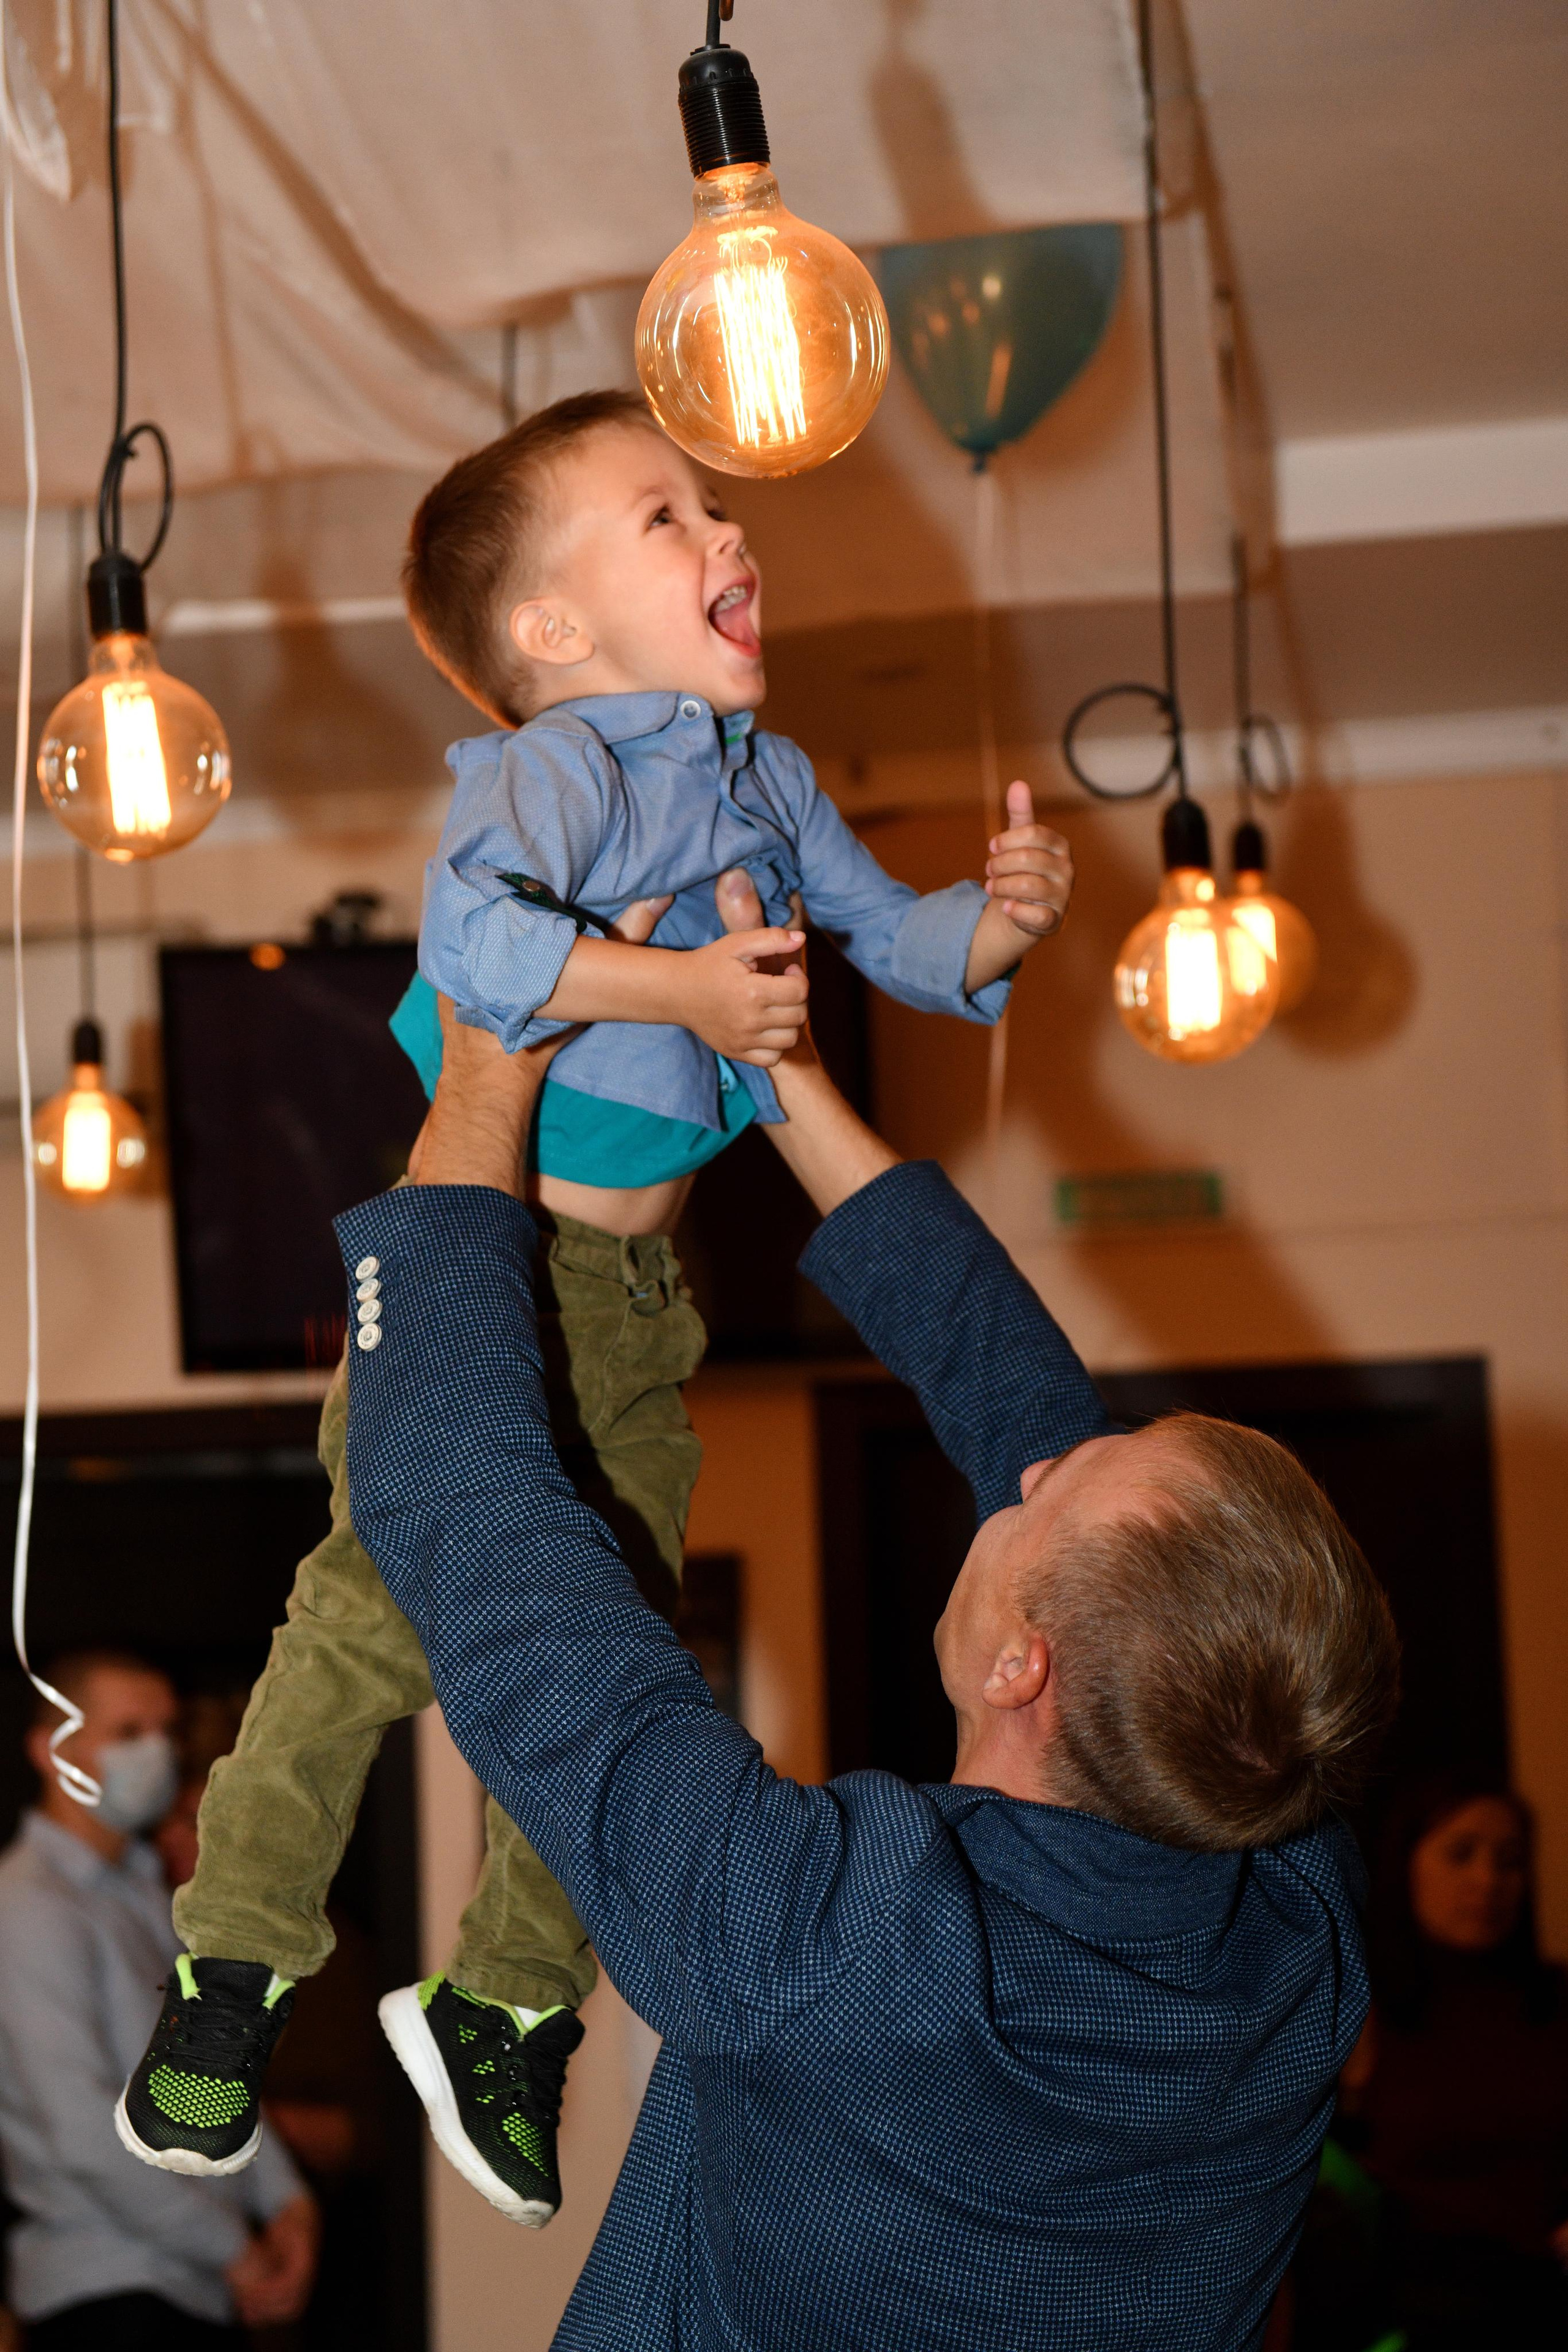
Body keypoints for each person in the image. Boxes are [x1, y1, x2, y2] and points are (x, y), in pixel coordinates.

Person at [119, 385, 1075, 2229]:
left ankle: (505, 1995)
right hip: (493, 1262)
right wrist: (689, 993)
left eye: (717, 507)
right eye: (666, 515)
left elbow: (897, 943)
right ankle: (232, 1963)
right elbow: (479, 946)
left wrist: (1000, 923)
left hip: (637, 1299)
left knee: (630, 1644)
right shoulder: (553, 766)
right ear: (550, 634)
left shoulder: (768, 780)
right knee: (363, 1633)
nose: (728, 533)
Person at [325, 998, 1400, 2350]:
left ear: (1022, 1665)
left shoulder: (818, 1940)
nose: (1026, 1462)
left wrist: (484, 1071)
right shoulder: (1288, 1921)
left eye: (1047, 1492)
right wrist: (789, 1079)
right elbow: (1035, 1428)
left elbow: (465, 1512)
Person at [0, 1652, 317, 2350]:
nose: (156, 1751)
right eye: (128, 1731)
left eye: (163, 1730)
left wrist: (287, 2203)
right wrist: (233, 2246)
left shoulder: (143, 1893)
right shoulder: (29, 1906)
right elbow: (78, 2128)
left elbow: (210, 2072)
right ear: (50, 1751)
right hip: (108, 2289)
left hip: (185, 2288)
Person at [1330, 1771, 1568, 2348]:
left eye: (1509, 1861)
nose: (1488, 1880)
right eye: (1461, 1854)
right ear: (1408, 1862)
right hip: (1422, 2302)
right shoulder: (1362, 2008)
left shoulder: (1555, 1999)